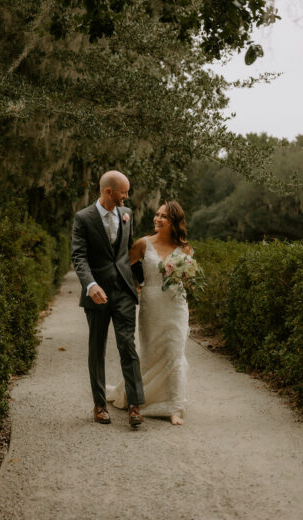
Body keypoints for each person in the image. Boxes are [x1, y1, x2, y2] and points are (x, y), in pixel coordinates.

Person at [107, 200, 192, 425]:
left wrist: (187, 278)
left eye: (164, 216)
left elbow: (190, 279)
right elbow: (122, 266)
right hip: (151, 305)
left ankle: (174, 407)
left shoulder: (184, 248)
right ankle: (139, 397)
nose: (157, 219)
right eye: (157, 214)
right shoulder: (143, 244)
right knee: (151, 353)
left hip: (177, 306)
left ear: (174, 222)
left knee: (175, 352)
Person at [71, 170, 145, 426]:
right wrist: (90, 285)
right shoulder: (83, 218)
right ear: (108, 192)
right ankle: (100, 405)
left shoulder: (127, 214)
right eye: (124, 192)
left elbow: (129, 251)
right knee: (97, 349)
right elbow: (78, 256)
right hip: (97, 295)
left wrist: (144, 282)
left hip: (124, 291)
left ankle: (135, 405)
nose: (127, 196)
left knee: (127, 345)